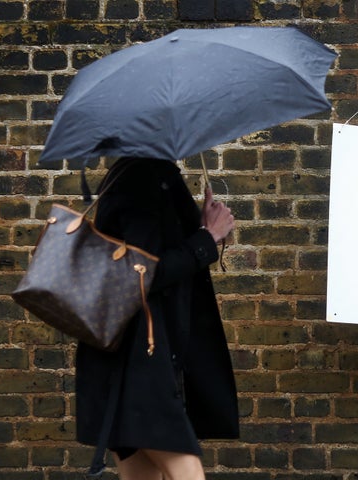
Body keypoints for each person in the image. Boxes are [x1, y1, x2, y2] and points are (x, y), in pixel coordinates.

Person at [74, 157, 239, 480]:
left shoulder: (143, 174)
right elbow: (143, 273)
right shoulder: (140, 179)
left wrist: (205, 230)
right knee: (187, 472)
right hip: (138, 361)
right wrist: (207, 238)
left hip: (134, 357)